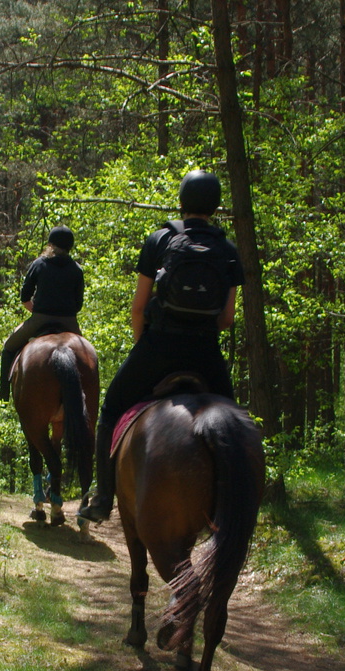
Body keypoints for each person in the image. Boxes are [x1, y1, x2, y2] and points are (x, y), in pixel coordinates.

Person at [78, 170, 243, 523]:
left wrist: (145, 347)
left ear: (181, 201)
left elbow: (139, 307)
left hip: (159, 346)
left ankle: (104, 499)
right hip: (205, 352)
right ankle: (233, 507)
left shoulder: (159, 240)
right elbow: (227, 318)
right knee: (234, 427)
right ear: (214, 206)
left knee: (109, 411)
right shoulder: (228, 250)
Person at [0, 225, 84, 401]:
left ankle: (3, 393)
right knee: (87, 357)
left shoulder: (39, 264)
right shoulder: (76, 269)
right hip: (69, 322)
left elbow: (25, 297)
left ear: (51, 244)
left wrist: (37, 311)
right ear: (70, 247)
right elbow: (78, 304)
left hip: (40, 320)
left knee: (8, 347)